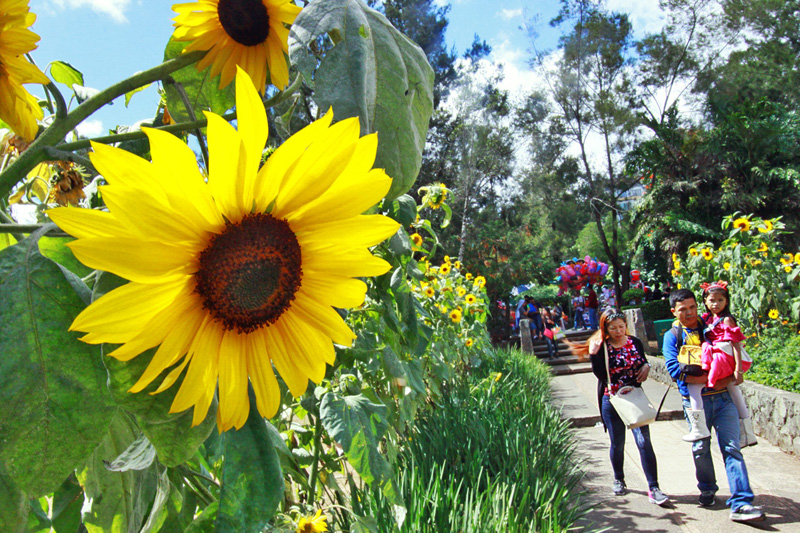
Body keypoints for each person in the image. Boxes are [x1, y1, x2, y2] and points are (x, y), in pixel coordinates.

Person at [663, 289, 765, 522]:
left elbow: (730, 347)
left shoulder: (711, 325)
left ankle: (741, 502)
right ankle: (707, 488)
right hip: (695, 402)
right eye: (682, 309)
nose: (689, 313)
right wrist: (716, 379)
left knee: (732, 449)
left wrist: (733, 372)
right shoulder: (673, 335)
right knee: (700, 448)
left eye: (692, 307)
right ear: (674, 311)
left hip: (724, 399)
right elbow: (675, 371)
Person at [569, 310, 669, 505]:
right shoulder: (601, 347)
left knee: (643, 441)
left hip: (634, 398)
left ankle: (654, 486)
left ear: (626, 325)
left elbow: (643, 361)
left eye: (621, 326)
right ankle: (619, 479)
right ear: (605, 328)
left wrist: (647, 366)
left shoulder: (634, 342)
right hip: (612, 398)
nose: (618, 331)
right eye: (612, 328)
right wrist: (592, 354)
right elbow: (600, 375)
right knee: (617, 442)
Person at [683, 281, 756, 446]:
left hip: (723, 358)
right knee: (734, 392)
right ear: (705, 301)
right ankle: (746, 434)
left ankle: (700, 428)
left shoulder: (727, 320)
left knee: (698, 386)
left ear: (727, 301)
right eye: (712, 300)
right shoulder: (707, 318)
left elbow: (735, 345)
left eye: (720, 300)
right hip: (716, 356)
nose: (715, 304)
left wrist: (738, 370)